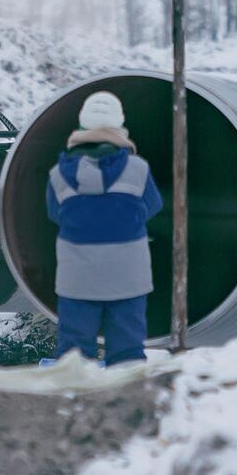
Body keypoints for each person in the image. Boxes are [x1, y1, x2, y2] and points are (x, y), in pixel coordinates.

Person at [46, 90, 163, 365]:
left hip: (77, 276)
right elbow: (153, 206)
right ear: (119, 126)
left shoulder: (57, 174)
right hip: (128, 275)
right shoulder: (139, 168)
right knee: (127, 351)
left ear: (81, 126)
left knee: (74, 353)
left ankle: (75, 402)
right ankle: (125, 403)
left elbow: (55, 214)